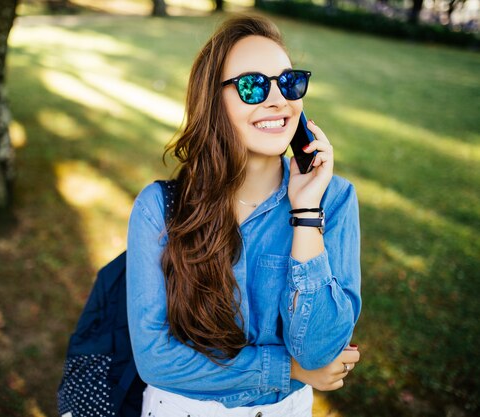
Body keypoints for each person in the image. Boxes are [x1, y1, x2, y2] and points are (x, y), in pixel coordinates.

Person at [126, 14, 361, 417]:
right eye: (253, 86)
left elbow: (320, 350)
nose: (278, 100)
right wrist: (288, 368)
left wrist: (306, 213)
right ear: (213, 101)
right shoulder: (159, 208)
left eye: (289, 83)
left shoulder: (334, 200)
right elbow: (155, 360)